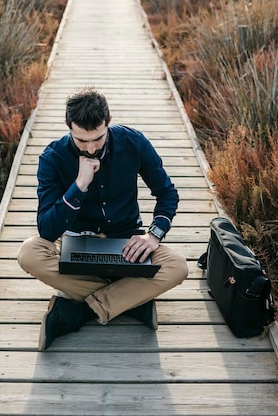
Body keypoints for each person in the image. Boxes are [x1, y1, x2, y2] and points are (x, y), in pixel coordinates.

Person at [17, 88, 188, 350]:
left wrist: (153, 235)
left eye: (98, 138)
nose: (91, 148)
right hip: (78, 248)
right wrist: (80, 185)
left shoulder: (133, 142)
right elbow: (48, 230)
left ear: (108, 122)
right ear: (68, 127)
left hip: (126, 246)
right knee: (29, 253)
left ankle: (79, 311)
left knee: (178, 267)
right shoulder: (52, 158)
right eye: (81, 141)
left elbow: (167, 193)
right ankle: (131, 301)